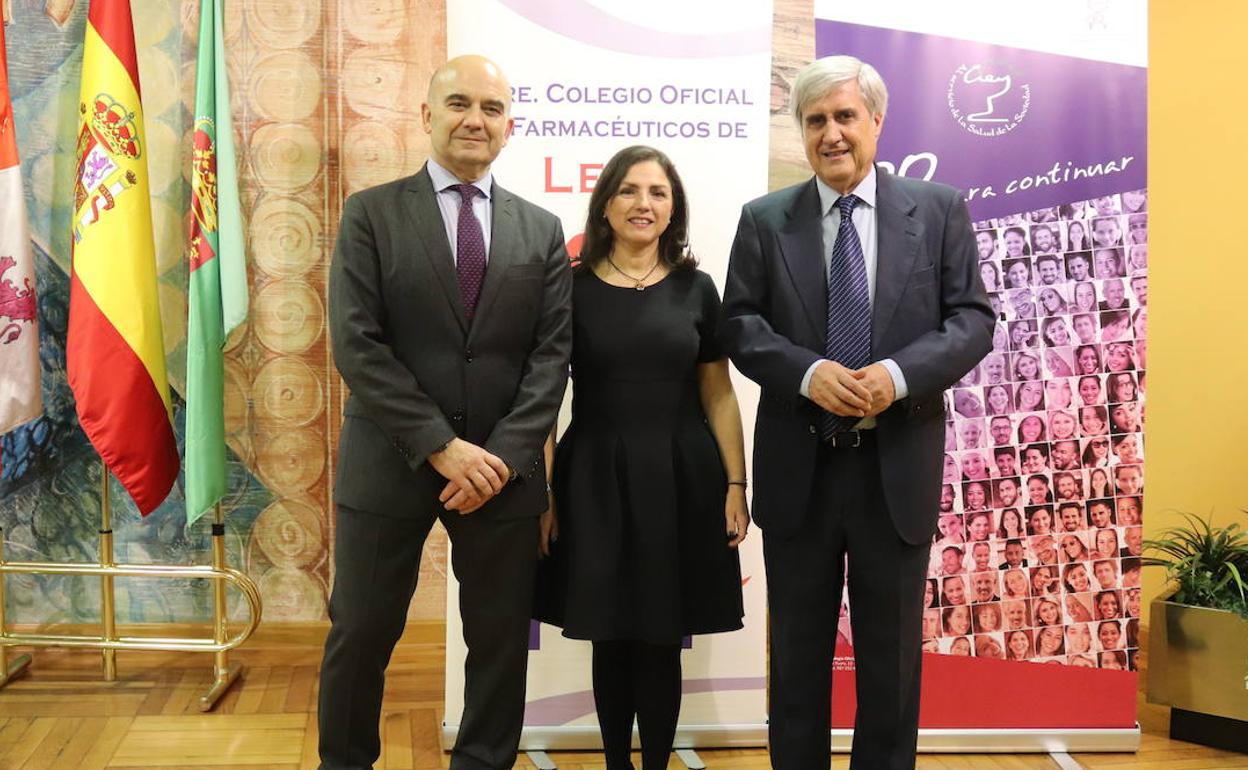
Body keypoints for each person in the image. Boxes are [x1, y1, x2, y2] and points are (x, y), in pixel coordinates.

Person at [719, 55, 994, 770]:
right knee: (798, 659)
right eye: (816, 120)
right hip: (798, 471)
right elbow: (740, 326)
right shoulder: (763, 220)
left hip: (894, 470)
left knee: (891, 663)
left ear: (876, 118)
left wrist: (898, 376)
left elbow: (972, 321)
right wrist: (808, 374)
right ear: (801, 131)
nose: (832, 133)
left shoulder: (937, 210)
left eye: (845, 116)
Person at [321, 55, 573, 770]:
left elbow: (550, 359)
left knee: (496, 641)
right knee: (362, 631)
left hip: (504, 472)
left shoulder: (542, 229)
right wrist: (442, 446)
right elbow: (358, 344)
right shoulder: (371, 214)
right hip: (390, 462)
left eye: (492, 108)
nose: (475, 119)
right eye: (459, 103)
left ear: (510, 126)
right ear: (426, 115)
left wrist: (497, 458)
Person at [534, 146, 748, 770]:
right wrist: (544, 496)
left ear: (673, 206)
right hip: (593, 476)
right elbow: (546, 402)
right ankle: (616, 764)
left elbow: (719, 393)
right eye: (629, 190)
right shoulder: (568, 289)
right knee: (610, 632)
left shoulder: (697, 289)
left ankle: (655, 762)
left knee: (661, 635)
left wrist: (736, 482)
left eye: (657, 192)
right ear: (606, 202)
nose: (643, 204)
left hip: (681, 475)